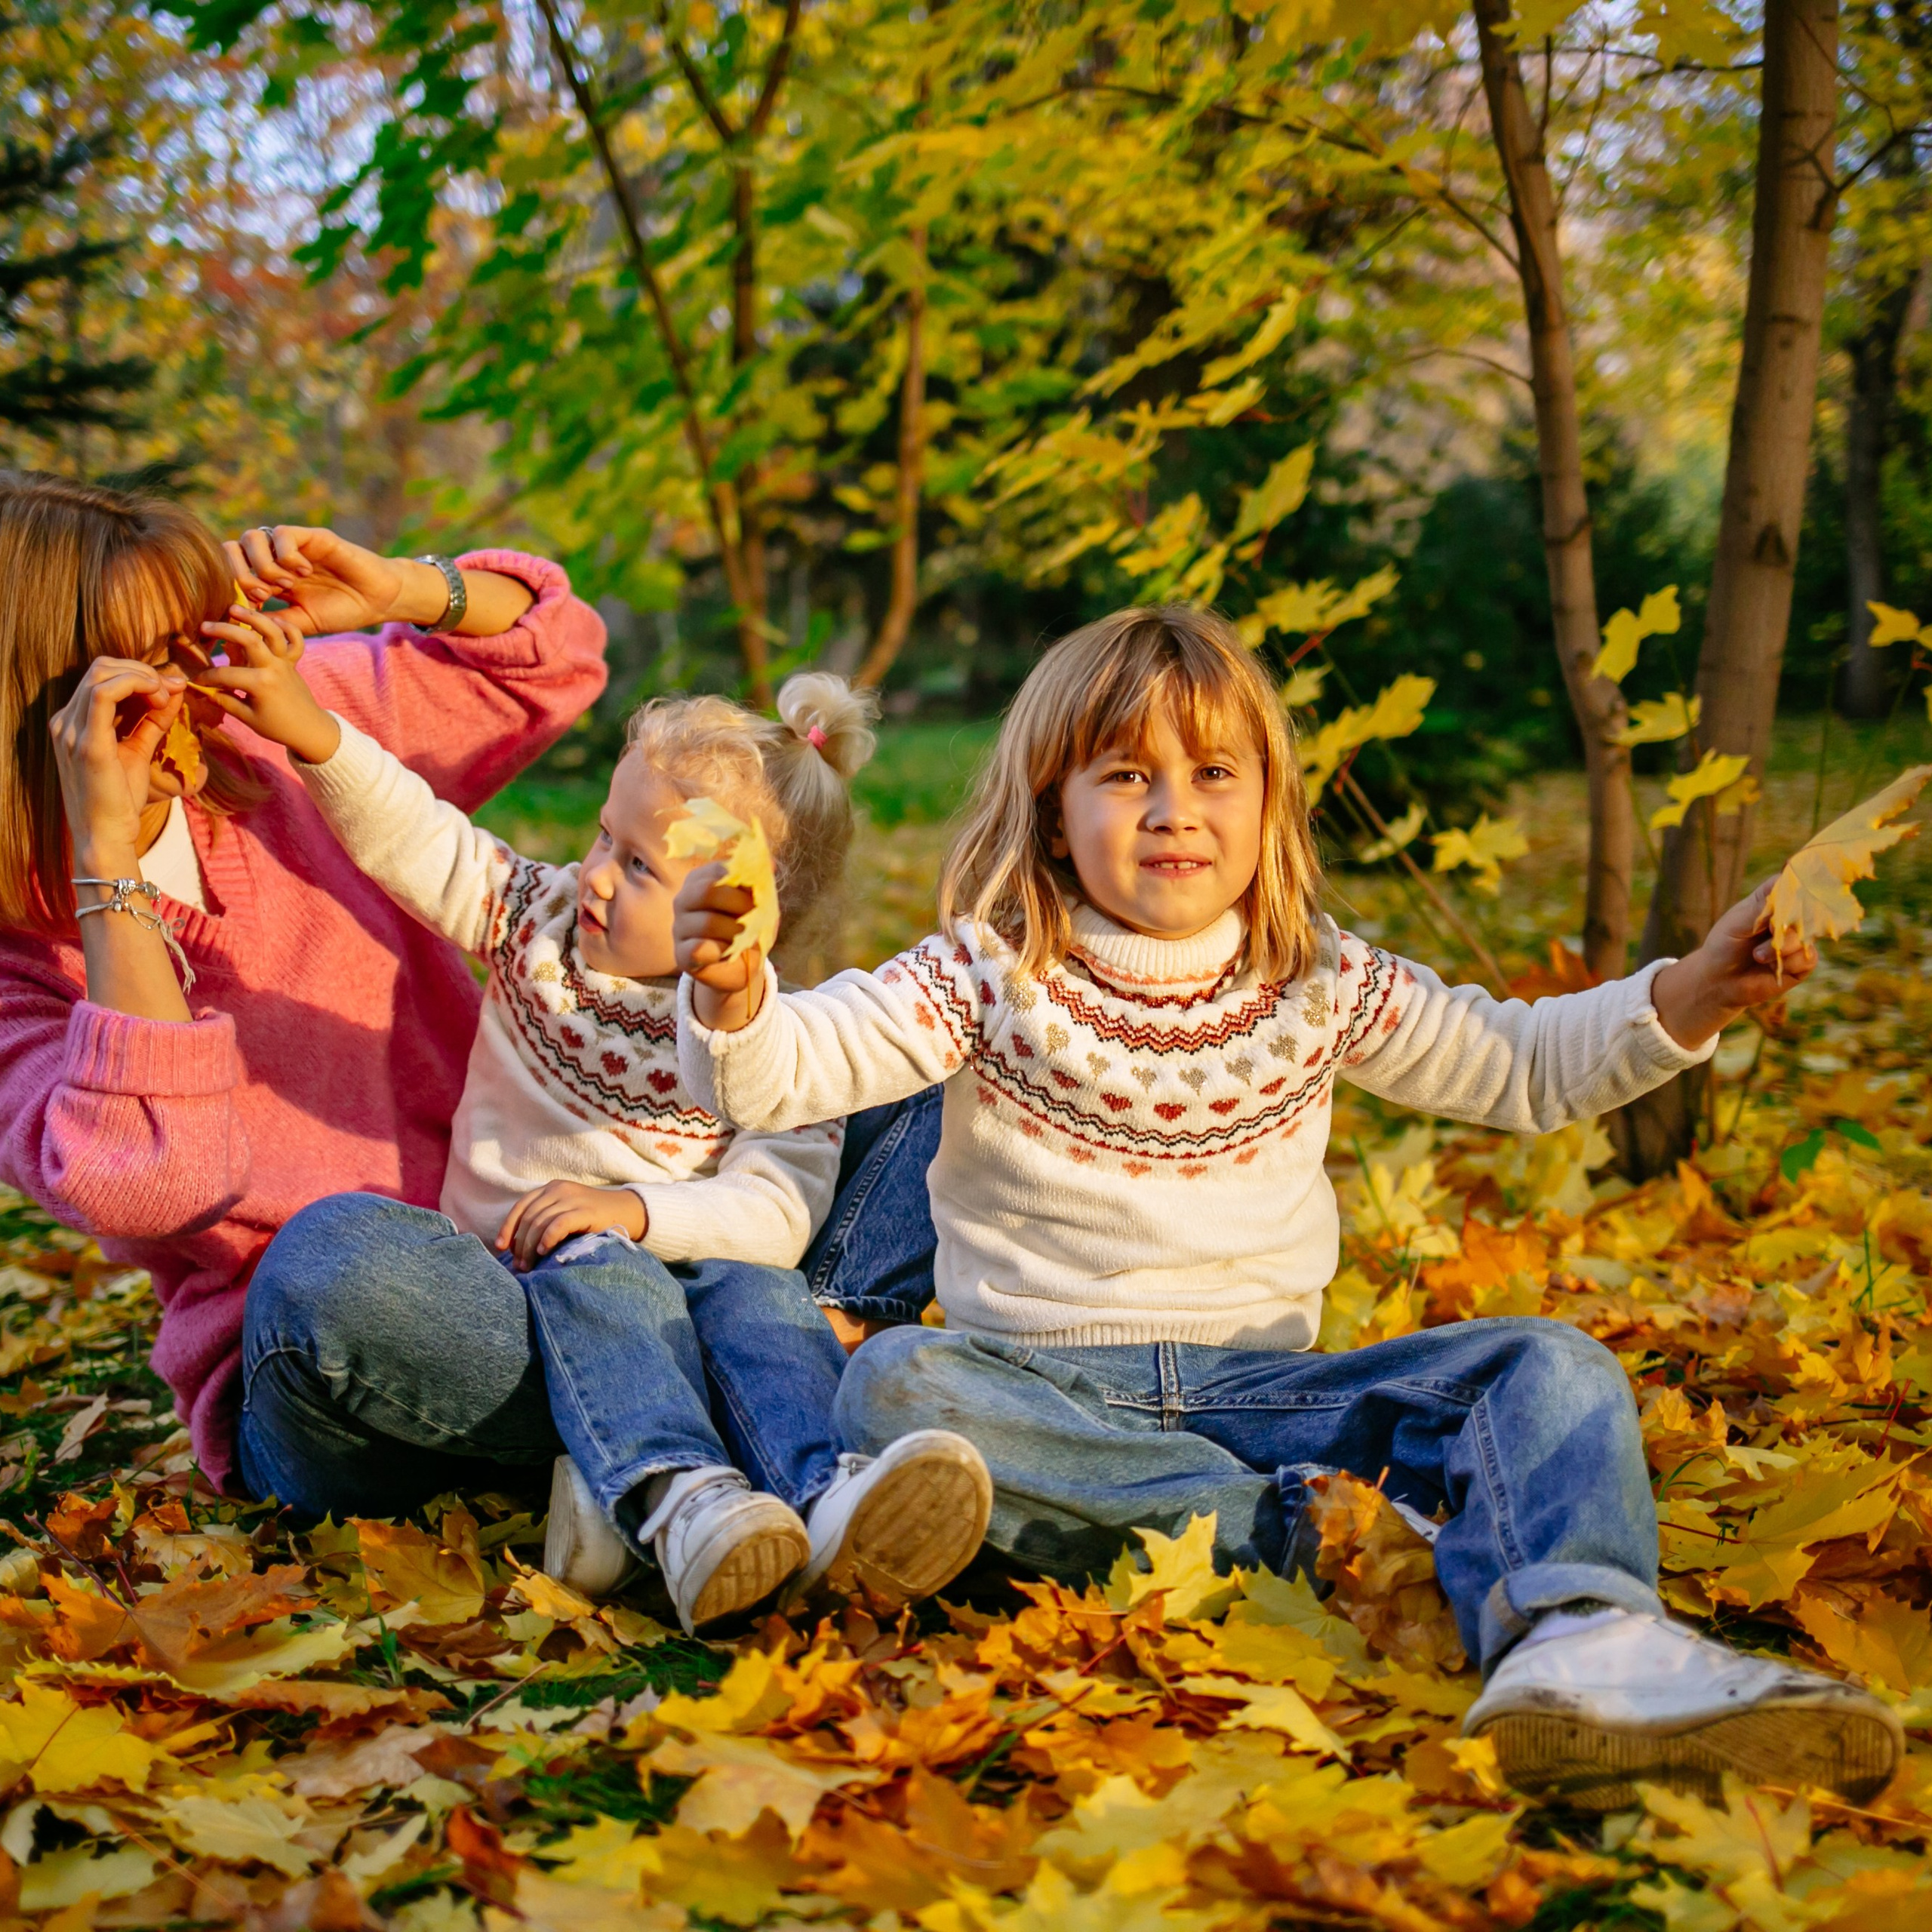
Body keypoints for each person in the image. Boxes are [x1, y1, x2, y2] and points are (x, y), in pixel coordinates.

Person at [671, 604, 1900, 1807]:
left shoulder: (1319, 977)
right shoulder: (987, 973)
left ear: (1267, 803)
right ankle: (1338, 1543)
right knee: (896, 1389)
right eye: (1125, 775)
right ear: (1052, 811)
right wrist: (733, 992)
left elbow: (1520, 1067)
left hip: (1273, 1394)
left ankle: (1584, 1638)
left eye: (1214, 773)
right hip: (1045, 1390)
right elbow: (793, 1072)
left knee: (1555, 1368)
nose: (1174, 809)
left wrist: (1693, 994)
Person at [214, 609, 990, 1634]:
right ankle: (679, 1492)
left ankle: (822, 1496)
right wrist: (312, 730)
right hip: (516, 1287)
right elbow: (421, 839)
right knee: (578, 1266)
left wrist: (636, 1210)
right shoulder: (535, 925)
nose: (596, 873)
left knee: (763, 1296)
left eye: (642, 868)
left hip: (683, 1284)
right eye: (603, 837)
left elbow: (777, 1216)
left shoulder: (778, 1038)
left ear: (750, 912)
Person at [0, 472, 605, 1505]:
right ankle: (691, 1394)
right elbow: (161, 1181)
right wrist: (108, 863)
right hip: (336, 1361)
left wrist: (398, 590)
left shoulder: (275, 719)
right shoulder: (22, 963)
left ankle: (647, 1425)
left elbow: (553, 662)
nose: (193, 690)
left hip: (549, 1224)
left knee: (841, 1075)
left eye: (197, 642)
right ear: (44, 708)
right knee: (333, 1258)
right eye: (148, 666)